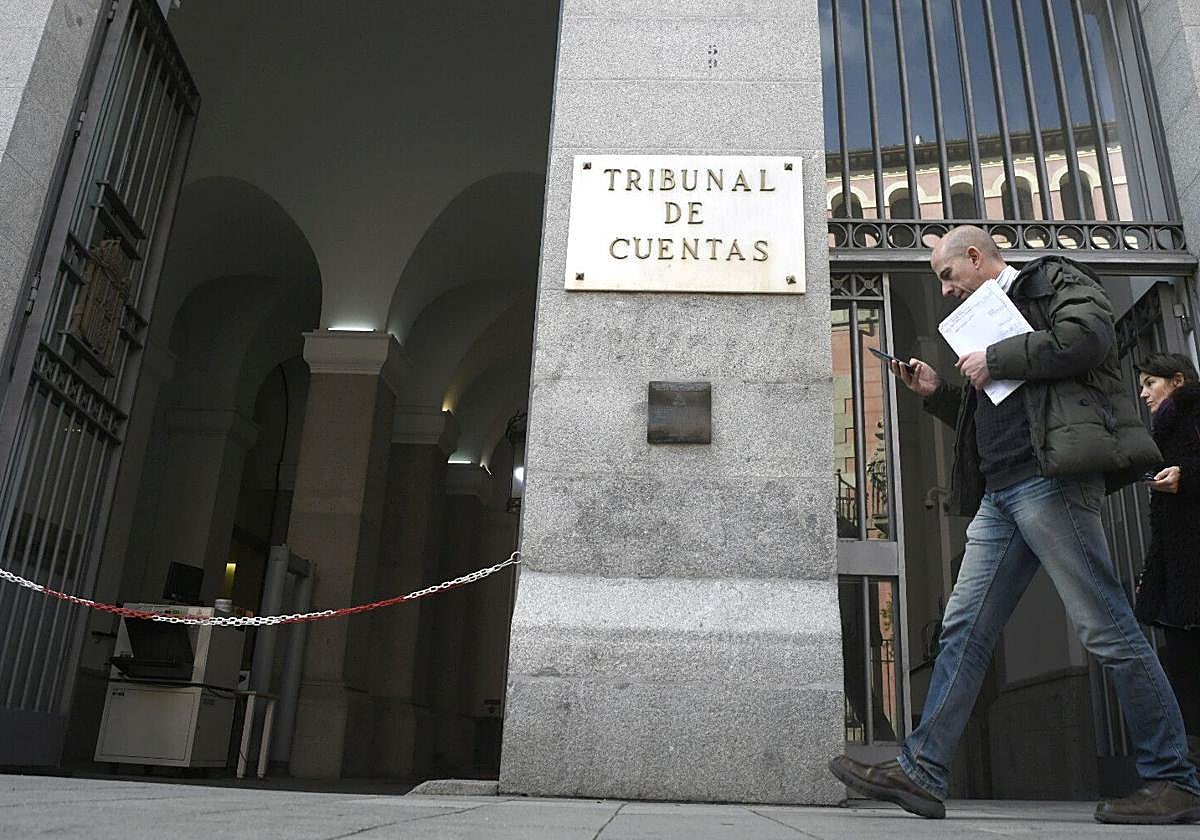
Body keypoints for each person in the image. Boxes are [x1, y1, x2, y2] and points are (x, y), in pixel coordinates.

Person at [827, 225, 1200, 825]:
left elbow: (1089, 338)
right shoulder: (985, 325)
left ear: (975, 257)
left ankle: (1172, 778)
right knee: (963, 631)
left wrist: (994, 358)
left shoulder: (1050, 280)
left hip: (1050, 480)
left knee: (1105, 628)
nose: (946, 291)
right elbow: (999, 412)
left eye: (948, 276)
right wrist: (937, 392)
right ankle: (922, 770)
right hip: (1001, 494)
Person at [1135, 353, 1200, 766]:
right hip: (1181, 578)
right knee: (1182, 669)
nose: (1143, 393)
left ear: (1177, 380)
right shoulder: (1166, 430)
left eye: (1150, 383)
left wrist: (1188, 476)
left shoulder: (1193, 417)